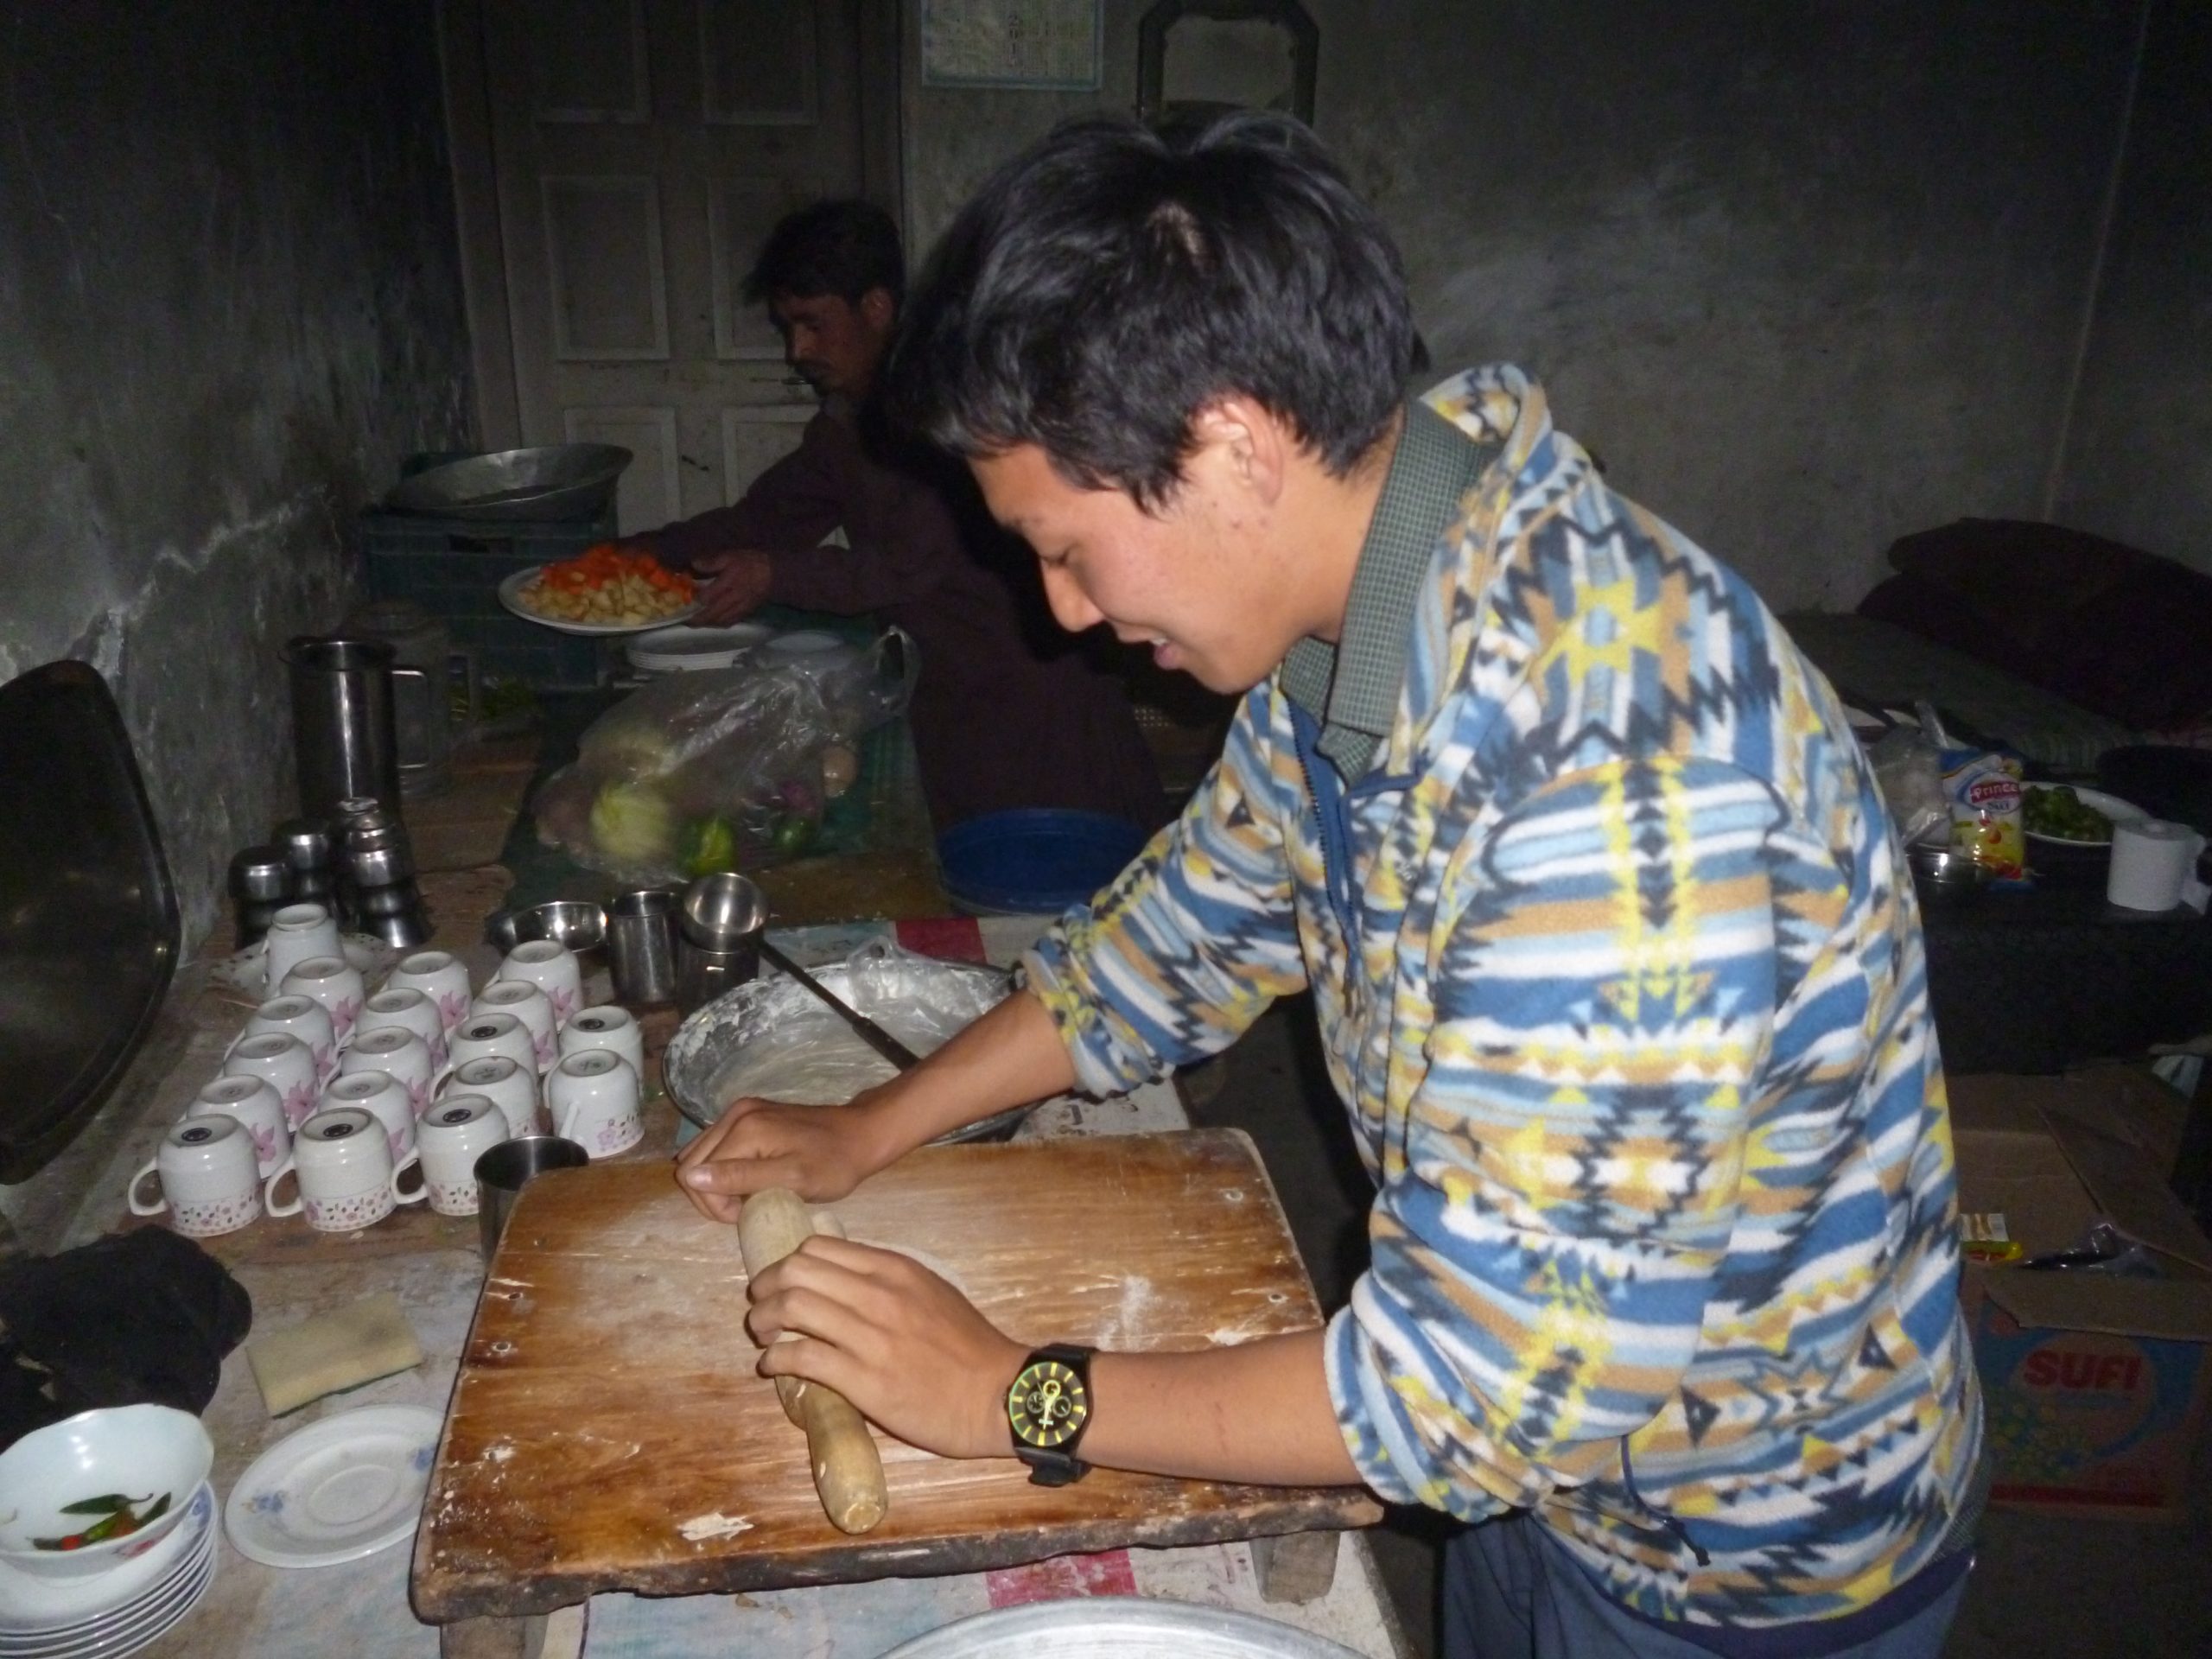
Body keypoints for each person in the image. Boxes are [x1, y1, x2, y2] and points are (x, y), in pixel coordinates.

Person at [677, 116, 1984, 1658]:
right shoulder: (1364, 610)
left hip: (1736, 1562)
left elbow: (1469, 1401)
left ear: (1235, 446)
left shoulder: (1606, 781)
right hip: (1552, 1500)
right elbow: (1179, 936)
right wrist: (871, 1125)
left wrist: (1008, 1394)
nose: (1062, 611)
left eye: (1067, 548)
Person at [630, 199, 1163, 832]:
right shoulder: (846, 421)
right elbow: (768, 518)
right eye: (787, 328)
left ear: (877, 308)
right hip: (940, 682)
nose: (797, 350)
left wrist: (774, 574)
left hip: (1027, 682)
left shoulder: (950, 407)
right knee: (957, 846)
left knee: (1071, 850)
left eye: (813, 324)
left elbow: (909, 564)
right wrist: (633, 557)